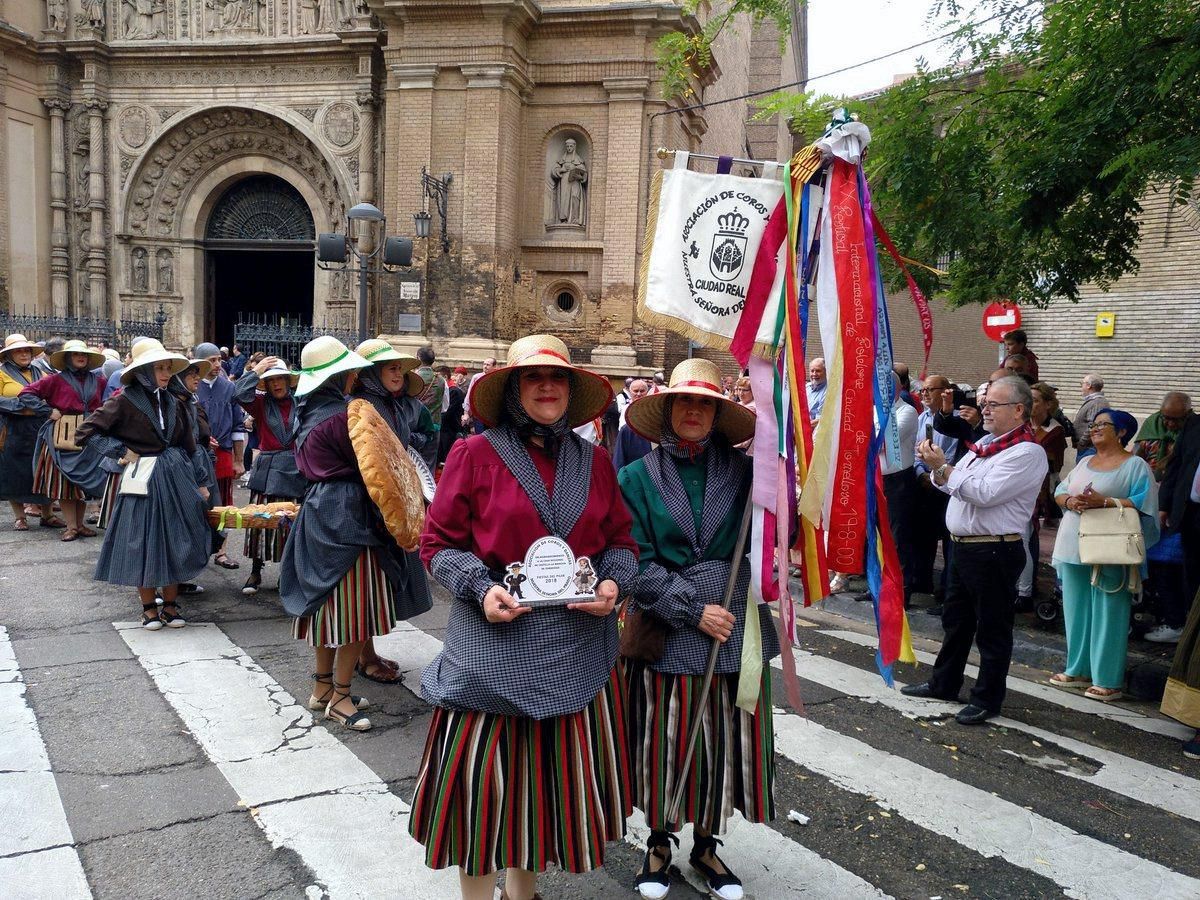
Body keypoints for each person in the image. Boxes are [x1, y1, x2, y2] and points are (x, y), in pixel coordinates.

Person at [411, 334, 635, 900]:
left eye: (557, 378)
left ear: (570, 390)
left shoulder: (595, 460)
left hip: (573, 655)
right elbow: (438, 543)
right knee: (483, 801)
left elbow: (621, 543)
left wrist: (612, 583)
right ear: (513, 390)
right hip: (493, 651)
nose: (546, 387)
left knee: (538, 794)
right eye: (533, 378)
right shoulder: (475, 454)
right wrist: (480, 588)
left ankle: (523, 893)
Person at [619, 358, 774, 900]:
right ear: (667, 409)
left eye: (705, 402)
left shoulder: (751, 474)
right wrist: (691, 607)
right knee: (666, 741)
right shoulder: (634, 478)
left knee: (723, 743)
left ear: (717, 413)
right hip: (669, 626)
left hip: (733, 625)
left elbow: (776, 533)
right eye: (685, 400)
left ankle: (707, 847)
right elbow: (629, 562)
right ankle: (659, 844)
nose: (694, 410)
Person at [278, 336, 433, 733]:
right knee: (354, 613)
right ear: (342, 375)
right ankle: (342, 698)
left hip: (318, 509)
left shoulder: (306, 412)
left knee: (328, 606)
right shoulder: (348, 415)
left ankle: (323, 688)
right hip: (351, 513)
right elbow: (378, 470)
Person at [903, 376, 1048, 725]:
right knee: (956, 622)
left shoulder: (1027, 452)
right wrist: (940, 471)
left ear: (1018, 410)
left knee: (992, 629)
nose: (985, 409)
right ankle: (944, 683)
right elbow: (954, 486)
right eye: (985, 403)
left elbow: (983, 493)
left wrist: (942, 468)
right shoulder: (986, 444)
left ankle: (987, 697)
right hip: (964, 548)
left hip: (995, 550)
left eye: (993, 404)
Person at [75, 339, 212, 630]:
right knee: (143, 539)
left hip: (177, 475)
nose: (164, 373)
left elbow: (190, 444)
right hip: (143, 477)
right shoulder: (123, 400)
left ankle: (172, 606)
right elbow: (86, 432)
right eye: (158, 368)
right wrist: (120, 452)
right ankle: (149, 609)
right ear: (143, 371)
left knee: (178, 537)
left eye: (166, 368)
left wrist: (200, 481)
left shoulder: (174, 400)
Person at [1047, 408, 1158, 701]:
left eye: (1103, 425)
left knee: (1110, 612)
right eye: (1094, 424)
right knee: (1076, 610)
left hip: (1110, 547)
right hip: (1074, 545)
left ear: (1122, 432)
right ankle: (1078, 669)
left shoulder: (1135, 465)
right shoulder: (1084, 461)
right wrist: (1070, 500)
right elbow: (1060, 489)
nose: (1094, 429)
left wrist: (1104, 502)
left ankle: (1108, 679)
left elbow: (1143, 503)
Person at [350, 337, 435, 684]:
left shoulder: (395, 404)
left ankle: (365, 653)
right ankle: (362, 658)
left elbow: (409, 441)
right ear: (372, 373)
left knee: (378, 584)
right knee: (366, 584)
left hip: (392, 503)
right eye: (391, 368)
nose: (398, 373)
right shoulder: (361, 406)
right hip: (368, 506)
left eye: (400, 368)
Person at [18, 340, 109, 541]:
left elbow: (107, 403)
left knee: (83, 482)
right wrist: (48, 411)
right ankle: (71, 527)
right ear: (67, 358)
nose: (80, 357)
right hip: (61, 435)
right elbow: (26, 393)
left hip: (89, 435)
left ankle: (80, 524)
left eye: (83, 354)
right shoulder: (55, 380)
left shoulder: (100, 381)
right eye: (75, 354)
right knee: (66, 483)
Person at [234, 356, 305, 596]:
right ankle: (255, 570)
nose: (276, 384)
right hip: (269, 467)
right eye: (271, 380)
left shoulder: (302, 402)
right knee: (260, 521)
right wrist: (256, 372)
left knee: (290, 525)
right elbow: (238, 394)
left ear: (288, 380)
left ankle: (288, 573)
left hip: (296, 468)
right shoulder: (261, 403)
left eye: (280, 379)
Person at [911, 374, 962, 611]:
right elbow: (917, 450)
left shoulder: (954, 420)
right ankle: (923, 582)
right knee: (923, 537)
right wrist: (922, 473)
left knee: (949, 542)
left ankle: (946, 592)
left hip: (947, 484)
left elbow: (950, 453)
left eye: (930, 389)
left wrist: (936, 474)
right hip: (925, 483)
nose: (925, 394)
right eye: (923, 390)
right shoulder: (922, 418)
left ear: (945, 392)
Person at [1019, 382, 1069, 609]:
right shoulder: (1023, 425)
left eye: (1036, 400)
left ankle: (1025, 591)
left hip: (1039, 490)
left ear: (1049, 404)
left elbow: (1048, 462)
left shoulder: (1055, 430)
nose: (1031, 404)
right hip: (1019, 486)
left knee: (1025, 538)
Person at [195, 341, 244, 569]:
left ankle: (222, 552)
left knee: (223, 503)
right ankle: (197, 551)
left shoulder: (229, 388)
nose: (217, 364)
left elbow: (237, 425)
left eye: (218, 359)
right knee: (198, 504)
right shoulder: (191, 387)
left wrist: (239, 460)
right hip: (197, 455)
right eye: (211, 360)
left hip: (223, 453)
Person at [0, 334, 56, 531]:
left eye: (26, 350)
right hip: (13, 428)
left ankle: (47, 514)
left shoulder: (40, 372)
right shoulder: (1, 373)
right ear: (9, 355)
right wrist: (24, 406)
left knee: (43, 468)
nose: (24, 354)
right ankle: (20, 517)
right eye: (18, 350)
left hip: (39, 427)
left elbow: (52, 396)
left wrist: (38, 407)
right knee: (16, 471)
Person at [1160, 405, 1200, 634]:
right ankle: (1190, 630)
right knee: (1192, 571)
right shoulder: (1194, 425)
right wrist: (1164, 506)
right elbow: (1175, 466)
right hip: (1191, 512)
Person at [1135, 392, 1192, 483]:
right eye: (1166, 418)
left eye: (1176, 420)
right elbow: (1136, 459)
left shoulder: (1195, 429)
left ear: (1188, 413)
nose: (1170, 424)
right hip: (1146, 483)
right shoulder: (1152, 424)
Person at [613, 379, 653, 470]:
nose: (638, 394)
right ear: (630, 392)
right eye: (635, 391)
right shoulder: (625, 409)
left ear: (647, 392)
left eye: (642, 391)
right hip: (630, 441)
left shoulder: (652, 409)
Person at [1073, 373, 1108, 457]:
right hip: (1088, 448)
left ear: (1088, 385)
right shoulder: (1095, 402)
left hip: (1089, 449)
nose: (1081, 387)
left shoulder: (1097, 403)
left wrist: (1082, 443)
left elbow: (1093, 426)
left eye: (1082, 384)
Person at [439, 365, 467, 463]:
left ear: (445, 377)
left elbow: (447, 413)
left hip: (449, 431)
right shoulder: (447, 390)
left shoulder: (454, 391)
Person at [806, 357, 828, 423]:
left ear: (826, 372)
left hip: (813, 431)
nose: (814, 374)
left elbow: (820, 421)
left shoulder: (828, 392)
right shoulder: (806, 387)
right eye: (812, 371)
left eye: (818, 371)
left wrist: (800, 429)